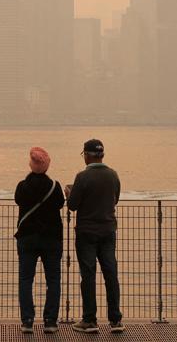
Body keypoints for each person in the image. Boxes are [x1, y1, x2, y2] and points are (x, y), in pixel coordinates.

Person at [65, 138, 123, 334]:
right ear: (102, 155)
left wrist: (69, 193)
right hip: (108, 231)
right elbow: (115, 199)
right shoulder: (113, 175)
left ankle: (89, 320)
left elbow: (72, 205)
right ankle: (115, 320)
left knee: (88, 275)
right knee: (111, 273)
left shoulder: (82, 177)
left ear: (87, 155)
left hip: (87, 232)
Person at [14, 146, 65, 334]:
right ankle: (50, 321)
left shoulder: (22, 186)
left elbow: (19, 201)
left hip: (27, 238)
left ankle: (27, 321)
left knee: (26, 279)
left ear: (31, 164)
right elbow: (60, 203)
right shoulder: (55, 187)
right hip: (52, 239)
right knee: (53, 280)